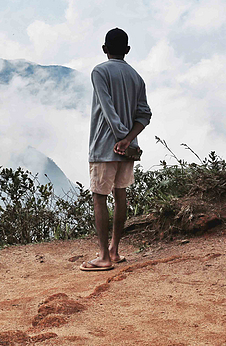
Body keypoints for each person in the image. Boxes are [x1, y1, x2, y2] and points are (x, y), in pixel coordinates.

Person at [80, 27, 152, 271]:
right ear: (128, 50)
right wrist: (129, 140)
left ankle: (103, 257)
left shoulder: (99, 71)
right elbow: (145, 115)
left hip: (104, 145)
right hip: (127, 149)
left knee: (99, 198)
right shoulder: (136, 77)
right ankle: (115, 250)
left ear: (104, 49)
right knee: (120, 195)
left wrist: (120, 137)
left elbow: (107, 108)